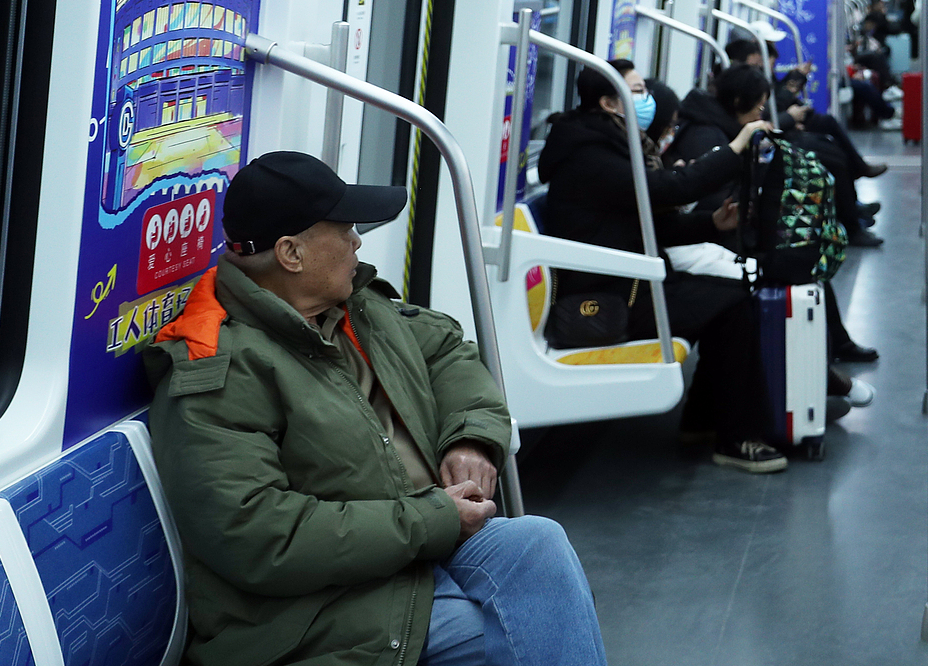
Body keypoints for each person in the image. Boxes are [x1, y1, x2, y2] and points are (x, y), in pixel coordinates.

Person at [144, 150, 608, 666]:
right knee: (516, 632)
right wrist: (433, 519)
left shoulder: (356, 307)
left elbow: (447, 349)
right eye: (344, 229)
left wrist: (471, 435)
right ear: (291, 253)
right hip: (317, 607)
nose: (357, 241)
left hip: (417, 546)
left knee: (538, 545)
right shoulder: (220, 369)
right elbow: (257, 535)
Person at [535, 59, 789, 473]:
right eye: (637, 92)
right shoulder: (591, 156)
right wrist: (736, 146)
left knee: (731, 300)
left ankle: (707, 421)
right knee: (731, 304)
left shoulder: (605, 144)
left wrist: (710, 223)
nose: (647, 98)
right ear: (608, 102)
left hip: (627, 283)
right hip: (604, 301)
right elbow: (672, 188)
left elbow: (646, 225)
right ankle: (733, 434)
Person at [675, 64, 880, 367]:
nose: (761, 112)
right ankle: (826, 364)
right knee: (798, 261)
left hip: (724, 232)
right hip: (717, 239)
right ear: (737, 103)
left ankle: (832, 349)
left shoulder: (718, 128)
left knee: (801, 251)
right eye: (758, 105)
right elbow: (714, 200)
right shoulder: (707, 137)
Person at [725, 35, 887, 248]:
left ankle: (852, 208)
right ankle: (852, 222)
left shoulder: (751, 77)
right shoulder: (741, 82)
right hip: (766, 144)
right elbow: (764, 117)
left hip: (773, 135)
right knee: (830, 158)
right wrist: (789, 117)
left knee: (831, 146)